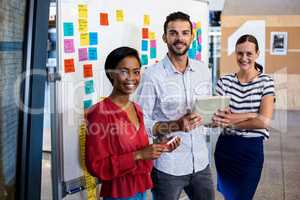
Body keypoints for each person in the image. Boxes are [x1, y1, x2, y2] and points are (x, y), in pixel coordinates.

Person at [135, 12, 215, 200]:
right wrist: (176, 125)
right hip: (168, 167)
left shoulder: (203, 70)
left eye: (185, 33)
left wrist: (215, 117)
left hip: (201, 163)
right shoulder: (152, 75)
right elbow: (141, 121)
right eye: (173, 33)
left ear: (191, 37)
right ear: (165, 37)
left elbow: (206, 111)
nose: (180, 38)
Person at [85, 47, 180, 200]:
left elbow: (139, 149)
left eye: (136, 72)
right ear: (111, 74)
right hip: (118, 193)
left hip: (140, 190)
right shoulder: (99, 114)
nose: (132, 78)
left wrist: (159, 146)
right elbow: (96, 166)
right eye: (124, 71)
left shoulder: (137, 109)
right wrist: (139, 155)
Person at [213, 34, 275, 200]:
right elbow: (218, 118)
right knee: (229, 196)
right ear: (235, 53)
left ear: (257, 54)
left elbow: (264, 121)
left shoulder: (266, 82)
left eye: (249, 53)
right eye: (240, 53)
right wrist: (250, 115)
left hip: (251, 151)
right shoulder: (224, 82)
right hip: (226, 148)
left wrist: (232, 120)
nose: (244, 58)